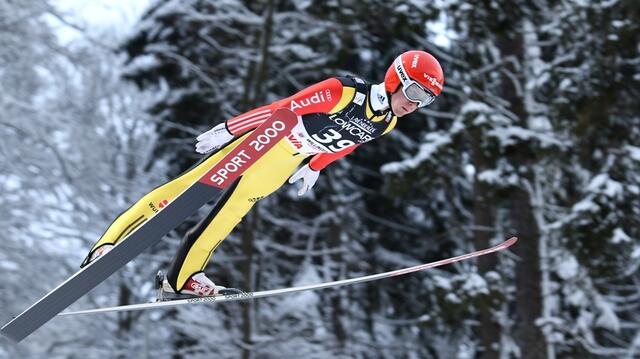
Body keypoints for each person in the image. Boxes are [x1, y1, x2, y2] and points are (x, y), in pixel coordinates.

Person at [80, 50, 444, 298]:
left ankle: (182, 279)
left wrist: (315, 167)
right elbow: (281, 109)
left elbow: (350, 142)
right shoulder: (342, 92)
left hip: (288, 160)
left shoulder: (388, 122)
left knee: (231, 213)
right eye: (414, 91)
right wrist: (230, 128)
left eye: (426, 99)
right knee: (186, 192)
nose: (415, 103)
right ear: (396, 79)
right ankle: (107, 245)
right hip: (266, 140)